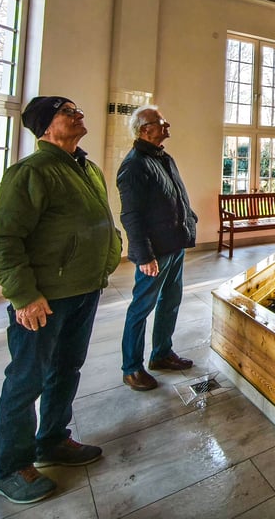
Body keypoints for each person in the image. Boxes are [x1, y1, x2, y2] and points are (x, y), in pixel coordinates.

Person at [0, 96, 123, 504]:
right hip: (45, 298)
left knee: (66, 368)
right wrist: (24, 296)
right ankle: (12, 467)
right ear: (46, 126)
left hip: (84, 289)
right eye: (67, 112)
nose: (79, 115)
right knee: (27, 378)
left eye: (78, 110)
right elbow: (3, 240)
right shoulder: (32, 171)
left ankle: (53, 440)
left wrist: (109, 253)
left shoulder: (86, 168)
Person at [117, 105, 198, 392]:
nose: (167, 125)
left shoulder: (163, 158)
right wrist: (144, 255)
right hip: (155, 251)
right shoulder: (134, 165)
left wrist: (189, 219)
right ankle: (131, 368)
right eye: (161, 122)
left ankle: (162, 353)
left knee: (170, 301)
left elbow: (176, 195)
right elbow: (131, 215)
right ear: (145, 129)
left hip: (174, 244)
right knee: (141, 307)